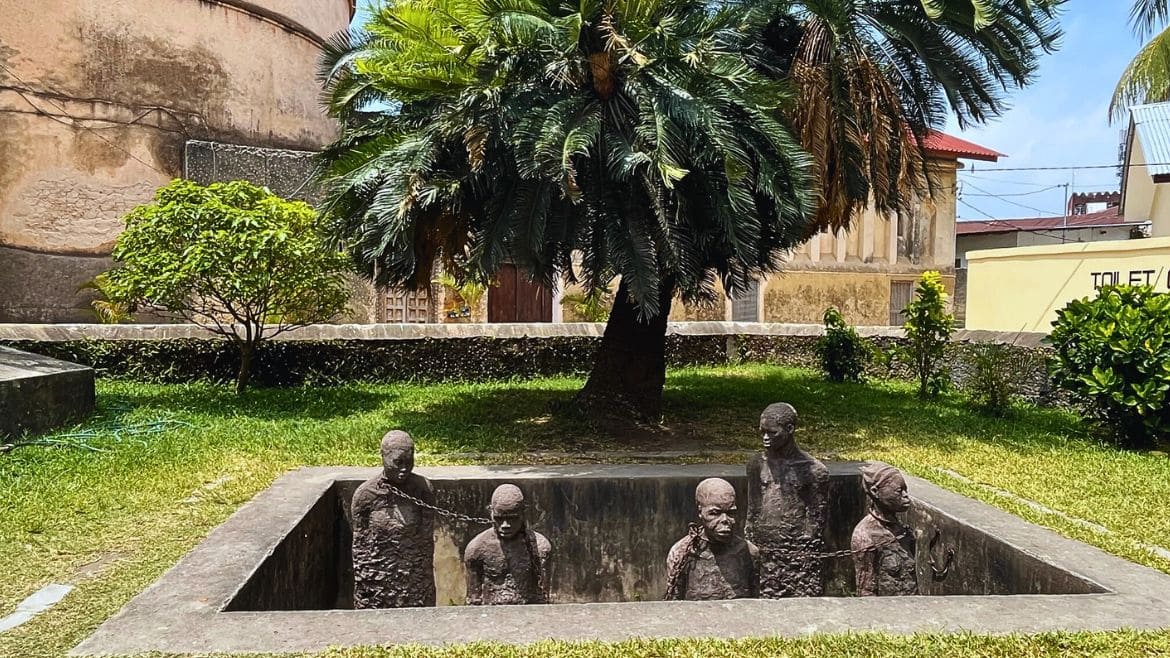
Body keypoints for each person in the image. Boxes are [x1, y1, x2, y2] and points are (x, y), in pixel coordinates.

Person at [746, 402, 830, 597]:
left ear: (790, 429)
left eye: (772, 433)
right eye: (762, 432)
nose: (765, 438)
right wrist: (750, 542)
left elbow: (816, 520)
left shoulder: (814, 470)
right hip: (764, 546)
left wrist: (804, 554)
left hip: (796, 550)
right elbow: (752, 509)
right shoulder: (756, 464)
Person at [351, 430, 436, 608]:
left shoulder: (423, 489)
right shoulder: (365, 495)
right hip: (378, 576)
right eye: (398, 462)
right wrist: (369, 585)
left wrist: (416, 577)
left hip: (413, 575)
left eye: (409, 462)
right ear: (383, 456)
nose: (404, 469)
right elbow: (360, 547)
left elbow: (426, 541)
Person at [665, 478, 759, 600]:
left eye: (731, 513)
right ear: (700, 512)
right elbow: (673, 602)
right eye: (715, 513)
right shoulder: (682, 553)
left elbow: (758, 599)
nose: (725, 520)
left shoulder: (748, 553)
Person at [463, 484, 552, 605]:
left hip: (528, 610)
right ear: (490, 512)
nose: (505, 525)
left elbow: (544, 596)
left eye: (512, 518)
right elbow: (473, 598)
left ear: (523, 513)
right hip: (490, 611)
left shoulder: (540, 547)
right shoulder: (476, 549)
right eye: (499, 518)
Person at [851, 462, 917, 596]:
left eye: (905, 490)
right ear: (875, 492)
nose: (905, 495)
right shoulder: (865, 536)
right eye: (899, 491)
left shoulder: (902, 530)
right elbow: (866, 591)